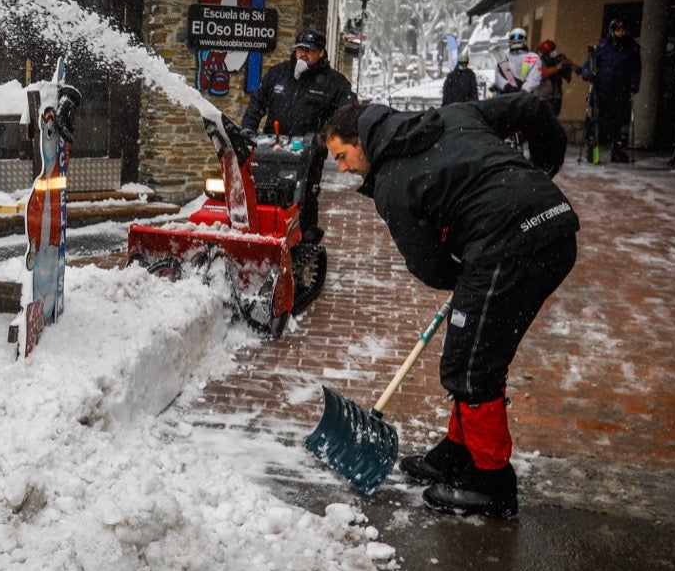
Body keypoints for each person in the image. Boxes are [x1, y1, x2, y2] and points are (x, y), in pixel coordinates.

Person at [322, 94, 579, 519]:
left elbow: (429, 266)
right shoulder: (453, 115)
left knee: (473, 366)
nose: (344, 169)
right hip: (549, 227)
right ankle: (459, 452)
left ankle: (491, 483)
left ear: (362, 141)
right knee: (468, 350)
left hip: (512, 246)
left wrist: (465, 279)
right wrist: (546, 167)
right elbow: (530, 108)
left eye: (343, 156)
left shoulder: (393, 183)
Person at [240, 28, 357, 241]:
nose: (302, 54)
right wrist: (247, 129)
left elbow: (347, 112)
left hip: (308, 153)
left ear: (321, 52)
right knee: (264, 191)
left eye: (309, 50)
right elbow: (257, 103)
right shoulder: (278, 74)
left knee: (303, 197)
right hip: (272, 148)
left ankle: (304, 240)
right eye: (299, 49)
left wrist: (325, 138)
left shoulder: (334, 83)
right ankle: (261, 233)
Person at [581, 18, 640, 162]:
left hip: (622, 90)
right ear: (612, 31)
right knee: (596, 120)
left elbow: (636, 69)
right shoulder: (602, 46)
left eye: (623, 30)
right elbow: (589, 64)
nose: (621, 33)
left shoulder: (632, 48)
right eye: (618, 30)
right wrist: (588, 73)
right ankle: (592, 148)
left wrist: (635, 83)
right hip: (601, 89)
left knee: (621, 122)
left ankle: (618, 151)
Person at [489, 27, 542, 95]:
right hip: (506, 94)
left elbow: (534, 77)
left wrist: (524, 90)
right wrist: (506, 86)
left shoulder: (533, 57)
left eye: (519, 37)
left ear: (525, 39)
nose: (516, 40)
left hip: (525, 96)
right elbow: (498, 76)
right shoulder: (504, 57)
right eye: (513, 37)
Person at [534, 39, 576, 118]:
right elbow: (541, 74)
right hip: (542, 97)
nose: (554, 54)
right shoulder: (537, 62)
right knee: (542, 121)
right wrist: (558, 67)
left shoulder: (556, 61)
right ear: (545, 53)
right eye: (551, 52)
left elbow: (566, 77)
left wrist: (567, 67)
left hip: (556, 97)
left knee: (553, 120)